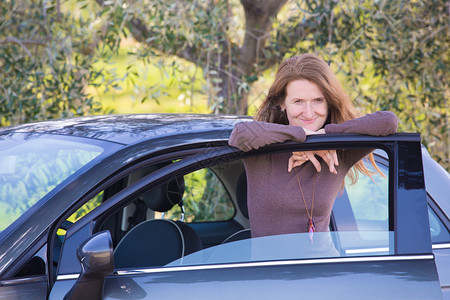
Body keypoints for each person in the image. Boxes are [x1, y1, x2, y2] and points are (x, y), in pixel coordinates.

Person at [229, 53, 398, 240]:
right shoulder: (261, 150)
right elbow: (240, 134)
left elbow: (388, 121)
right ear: (282, 103)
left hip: (323, 268)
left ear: (329, 102)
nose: (309, 113)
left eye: (318, 100)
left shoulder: (337, 152)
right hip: (270, 268)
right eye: (298, 101)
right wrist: (303, 138)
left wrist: (323, 138)